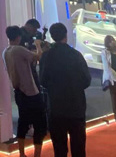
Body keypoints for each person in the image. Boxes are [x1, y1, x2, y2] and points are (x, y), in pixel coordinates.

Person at [39, 22, 91, 157]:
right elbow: (86, 79)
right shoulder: (76, 55)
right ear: (66, 35)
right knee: (78, 147)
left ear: (52, 36)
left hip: (56, 107)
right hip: (76, 105)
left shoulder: (47, 56)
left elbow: (43, 80)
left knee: (59, 149)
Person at [3, 25, 47, 157]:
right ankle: (37, 155)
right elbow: (38, 57)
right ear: (19, 37)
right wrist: (38, 45)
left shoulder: (5, 51)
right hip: (31, 92)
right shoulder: (19, 50)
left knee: (23, 122)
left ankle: (22, 153)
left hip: (18, 91)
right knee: (40, 124)